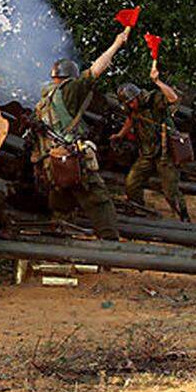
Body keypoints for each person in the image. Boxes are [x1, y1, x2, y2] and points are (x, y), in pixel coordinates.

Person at [33, 26, 132, 240]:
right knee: (100, 201)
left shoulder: (44, 100)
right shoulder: (70, 90)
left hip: (52, 161)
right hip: (71, 160)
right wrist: (117, 44)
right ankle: (112, 246)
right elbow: (96, 70)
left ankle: (59, 240)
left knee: (61, 202)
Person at [112, 61, 190, 222]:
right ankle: (139, 211)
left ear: (137, 96)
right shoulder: (131, 108)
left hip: (165, 152)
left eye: (131, 102)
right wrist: (120, 135)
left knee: (170, 191)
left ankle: (184, 219)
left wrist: (157, 81)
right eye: (127, 104)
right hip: (146, 153)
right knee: (131, 183)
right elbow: (130, 120)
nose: (130, 105)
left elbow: (173, 98)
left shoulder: (153, 99)